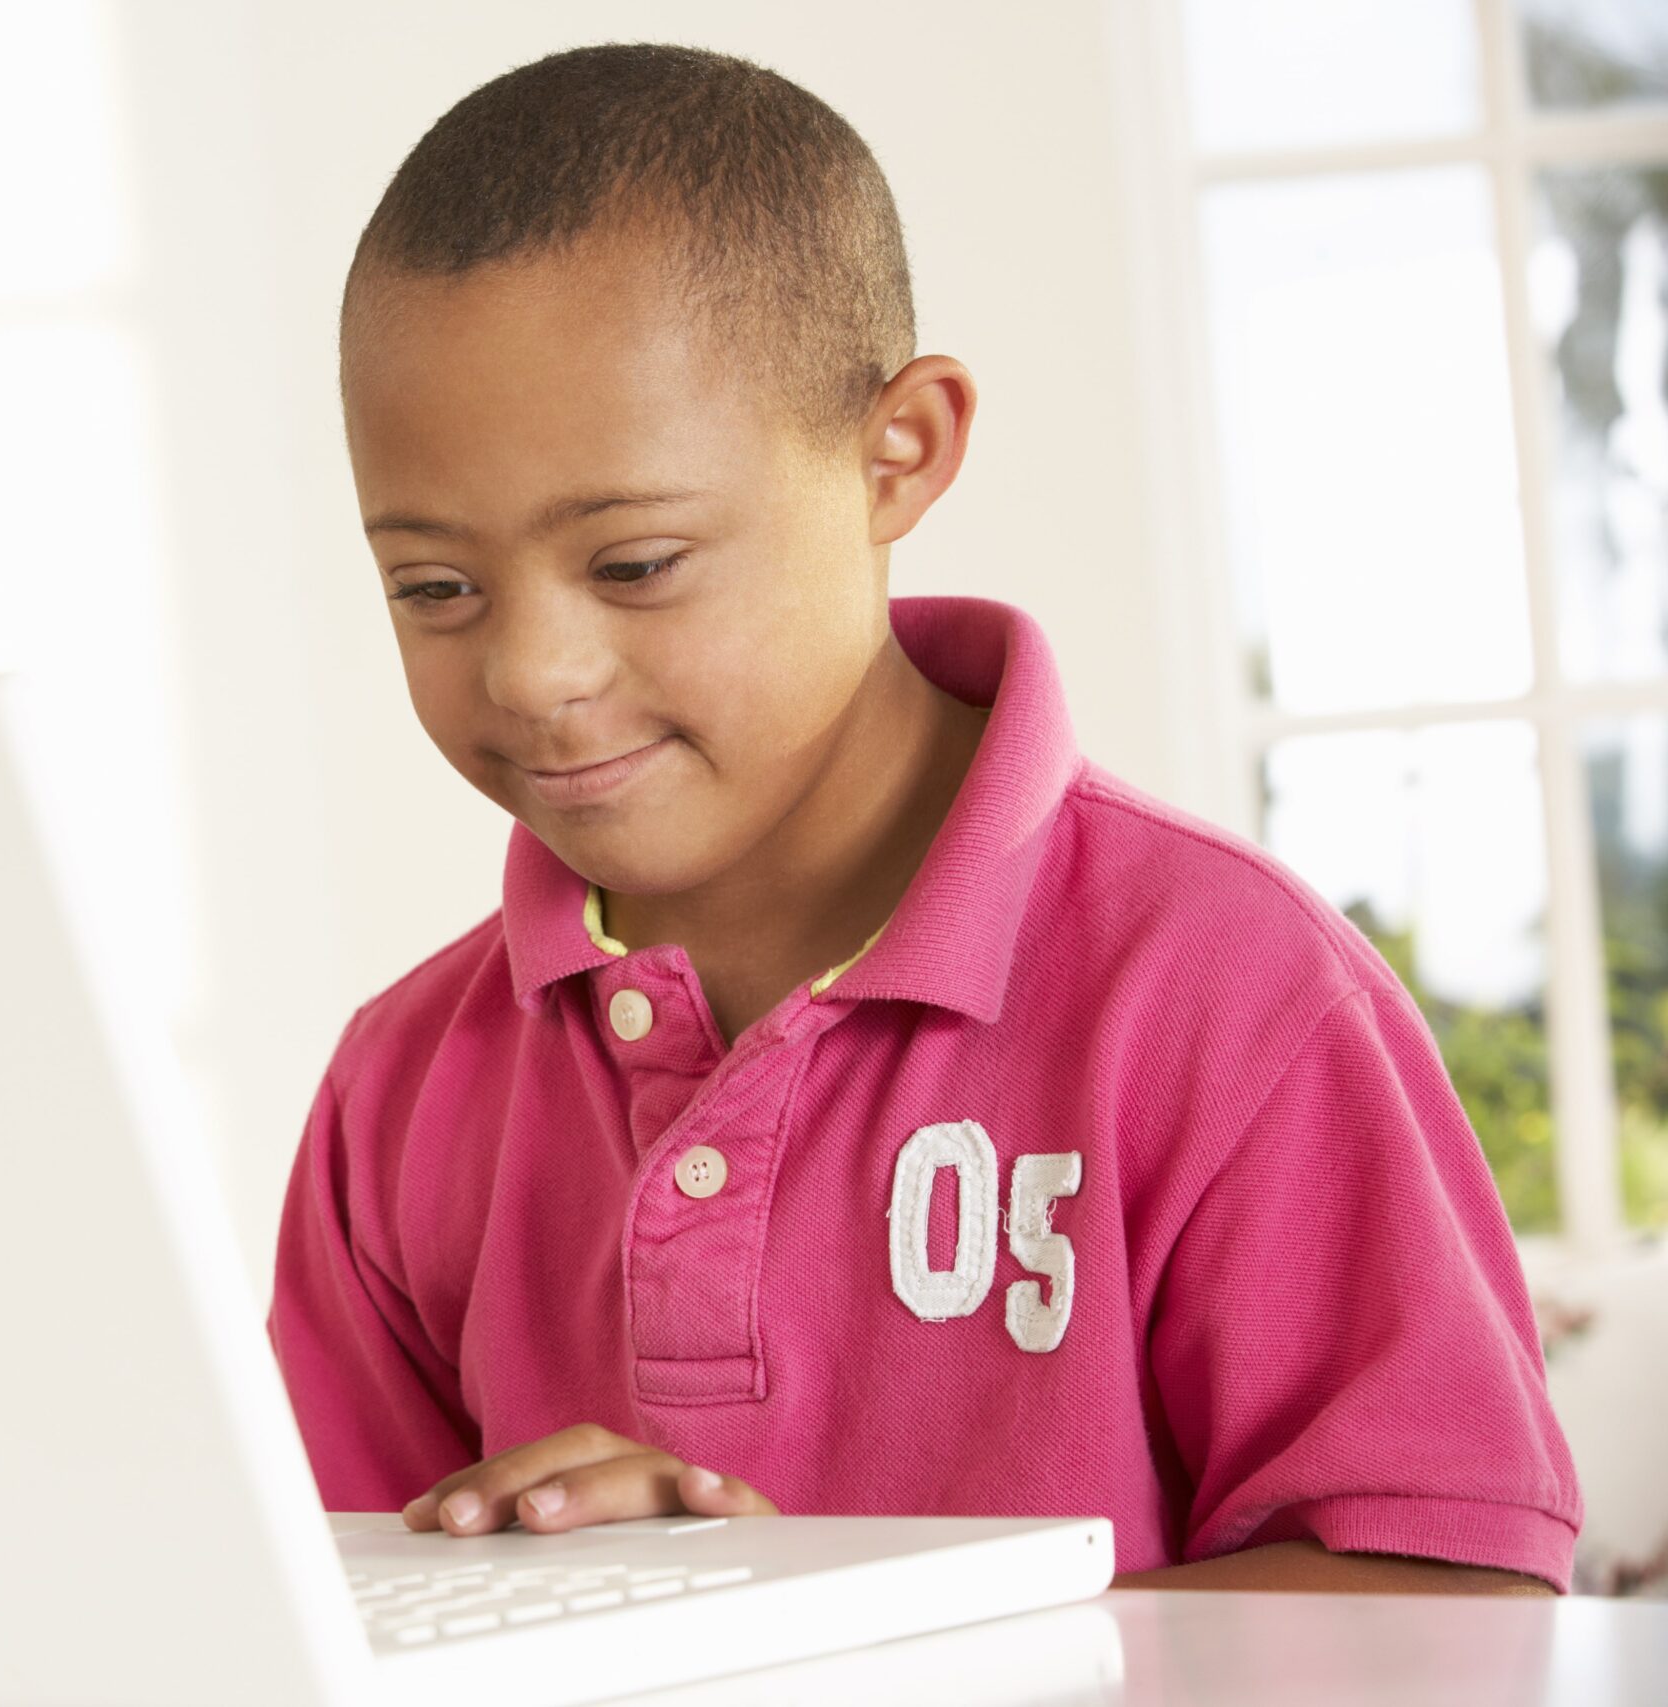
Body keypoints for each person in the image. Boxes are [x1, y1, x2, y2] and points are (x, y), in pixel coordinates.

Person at [266, 41, 1581, 1593]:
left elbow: (1457, 1613)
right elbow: (309, 1623)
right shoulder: (396, 1098)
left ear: (902, 451)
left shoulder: (1231, 997)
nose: (533, 672)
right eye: (434, 589)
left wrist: (830, 1636)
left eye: (633, 566)